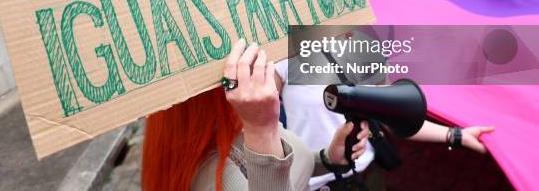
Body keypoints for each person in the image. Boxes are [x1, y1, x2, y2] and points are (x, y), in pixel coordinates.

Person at [142, 40, 371, 191]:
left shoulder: (241, 119)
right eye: (239, 63)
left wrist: (327, 158)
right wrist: (262, 130)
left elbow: (289, 168)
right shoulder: (214, 176)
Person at [275, 51, 495, 191]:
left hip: (366, 178)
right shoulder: (282, 57)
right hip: (311, 183)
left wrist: (455, 135)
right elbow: (263, 126)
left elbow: (396, 116)